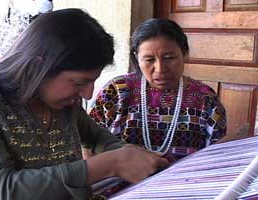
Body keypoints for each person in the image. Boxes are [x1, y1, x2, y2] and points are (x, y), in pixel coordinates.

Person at [0, 9, 169, 200]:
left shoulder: (61, 103)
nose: (87, 95)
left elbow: (96, 136)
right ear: (39, 67)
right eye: (79, 82)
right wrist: (111, 163)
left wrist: (130, 156)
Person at [88, 18, 227, 163]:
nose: (160, 69)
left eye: (169, 58)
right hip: (118, 184)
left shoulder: (205, 98)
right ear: (137, 57)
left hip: (186, 184)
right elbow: (87, 145)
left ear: (184, 54)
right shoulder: (117, 92)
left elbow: (217, 154)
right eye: (149, 60)